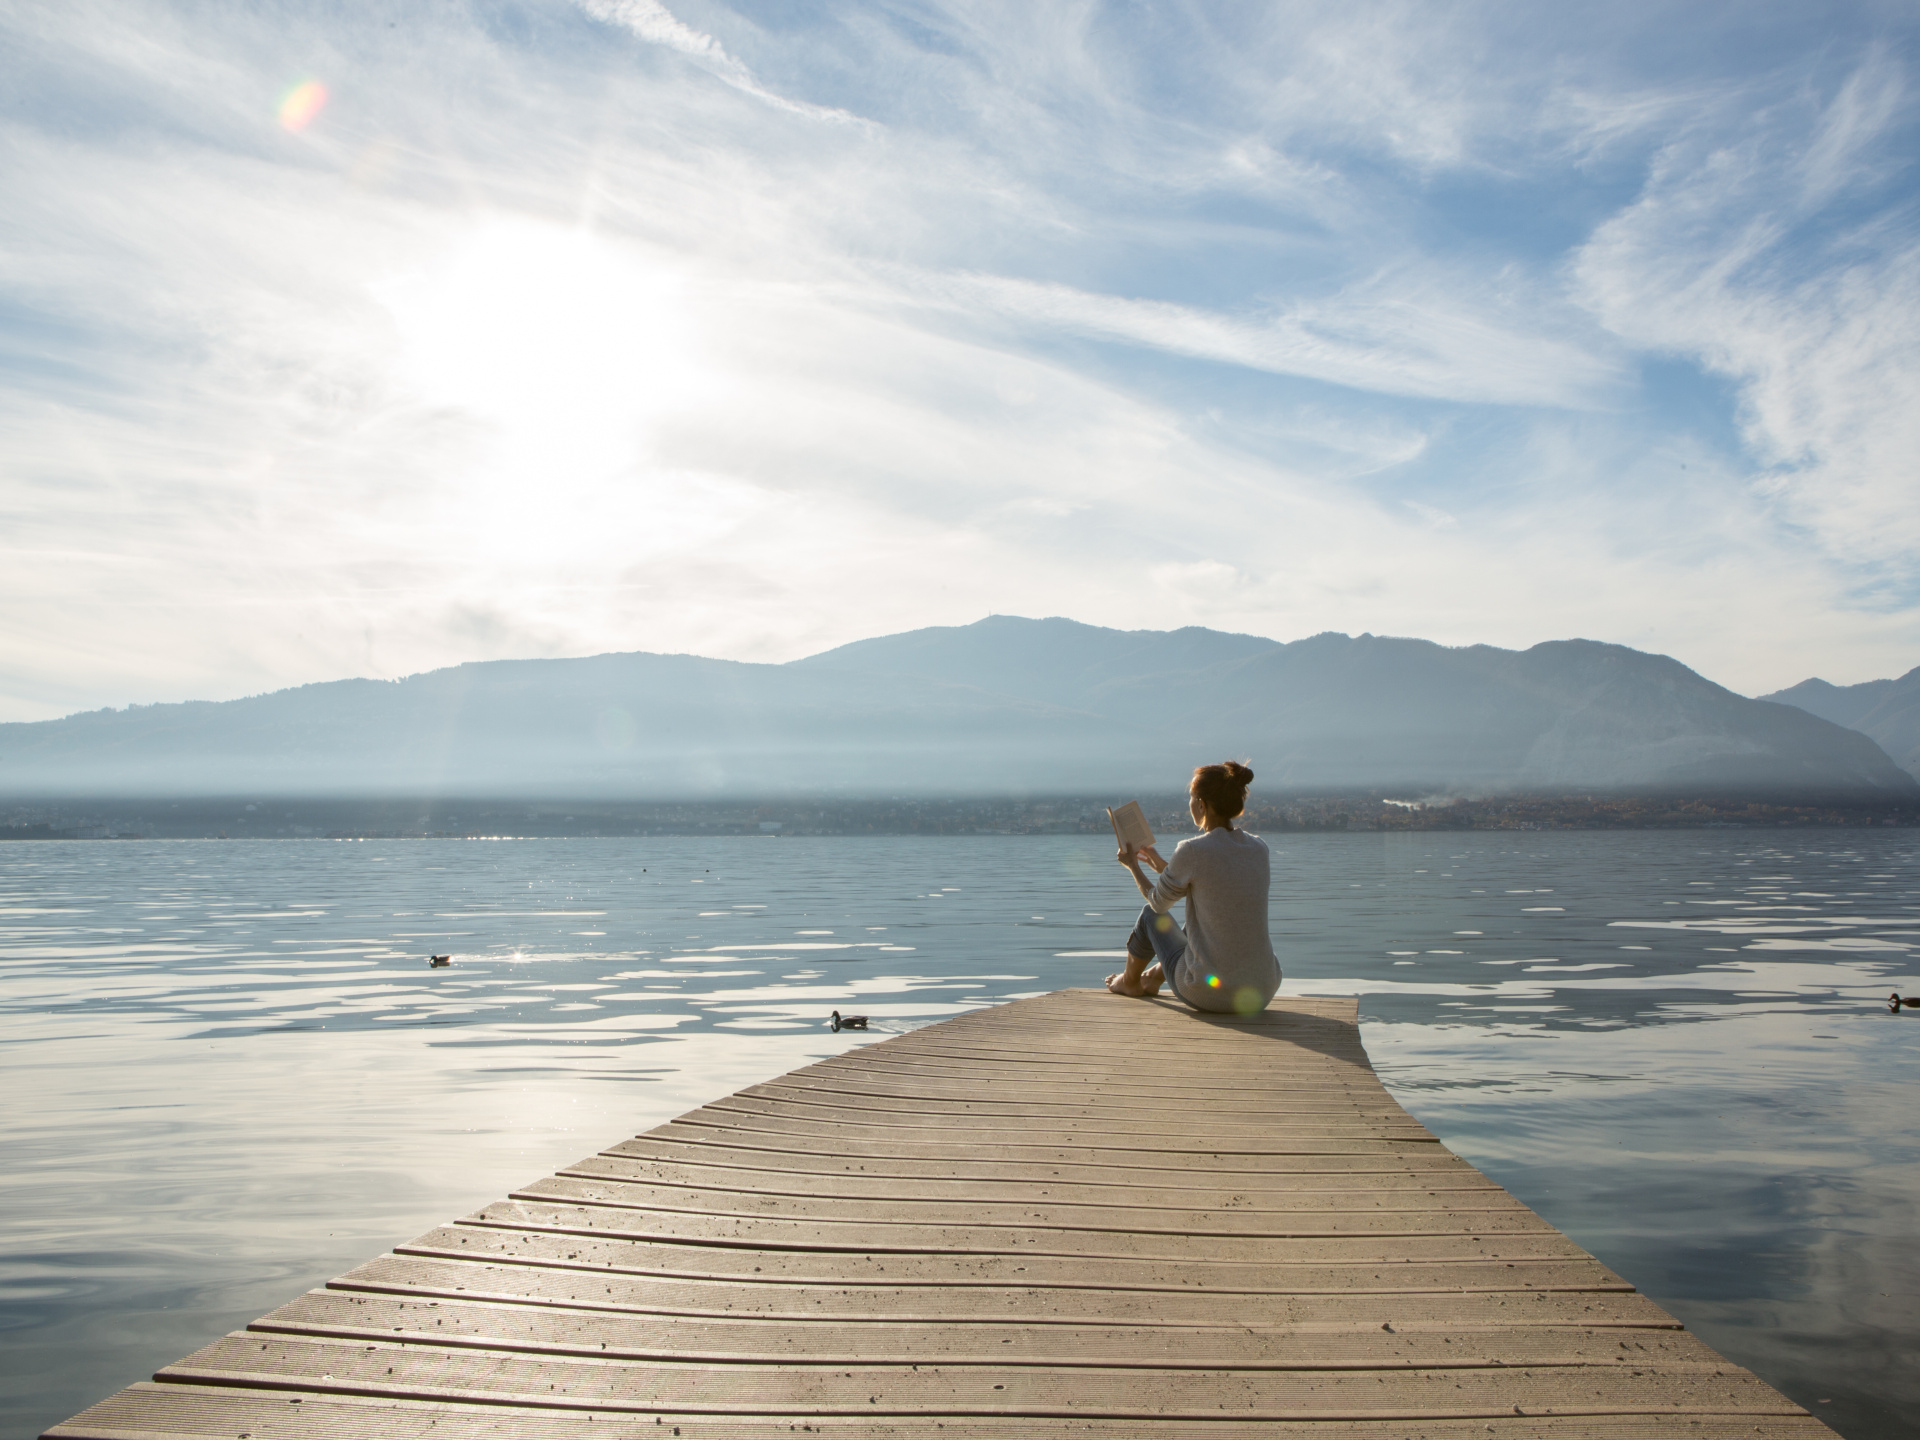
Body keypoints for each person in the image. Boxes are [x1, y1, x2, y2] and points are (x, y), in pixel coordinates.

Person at [1105, 760, 1280, 1016]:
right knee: (1201, 919)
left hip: (1210, 993)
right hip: (1262, 990)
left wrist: (1133, 865)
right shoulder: (1258, 848)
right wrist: (1160, 864)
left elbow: (1158, 902)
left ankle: (1129, 982)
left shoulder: (1192, 850)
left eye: (1191, 798)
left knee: (1149, 916)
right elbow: (1210, 887)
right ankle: (1153, 978)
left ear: (1201, 804)